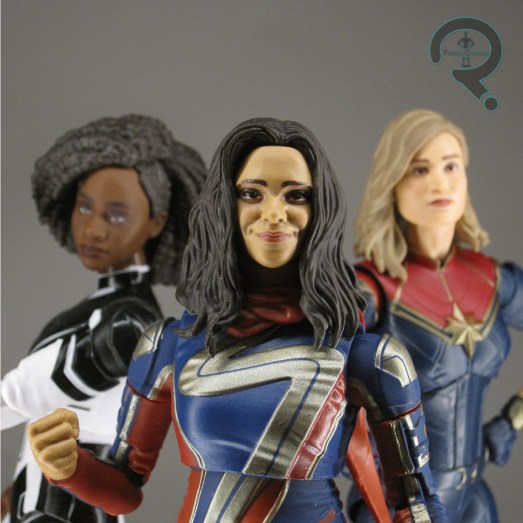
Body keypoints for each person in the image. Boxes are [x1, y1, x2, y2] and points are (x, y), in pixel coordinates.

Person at [26, 117, 447, 522]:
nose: (274, 212)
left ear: (320, 209)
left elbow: (416, 501)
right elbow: (124, 487)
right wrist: (69, 466)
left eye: (295, 195)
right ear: (225, 205)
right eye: (252, 193)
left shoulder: (369, 358)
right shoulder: (168, 346)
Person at [1, 114, 206, 523]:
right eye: (84, 208)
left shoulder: (128, 324)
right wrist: (19, 489)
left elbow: (20, 394)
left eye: (114, 215)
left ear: (157, 222)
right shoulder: (110, 309)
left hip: (71, 507)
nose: (92, 229)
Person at [347, 109, 522, 522]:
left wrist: (512, 420)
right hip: (401, 506)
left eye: (451, 166)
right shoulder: (370, 289)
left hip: (475, 499)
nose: (440, 183)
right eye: (420, 169)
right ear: (392, 182)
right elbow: (315, 383)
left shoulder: (492, 279)